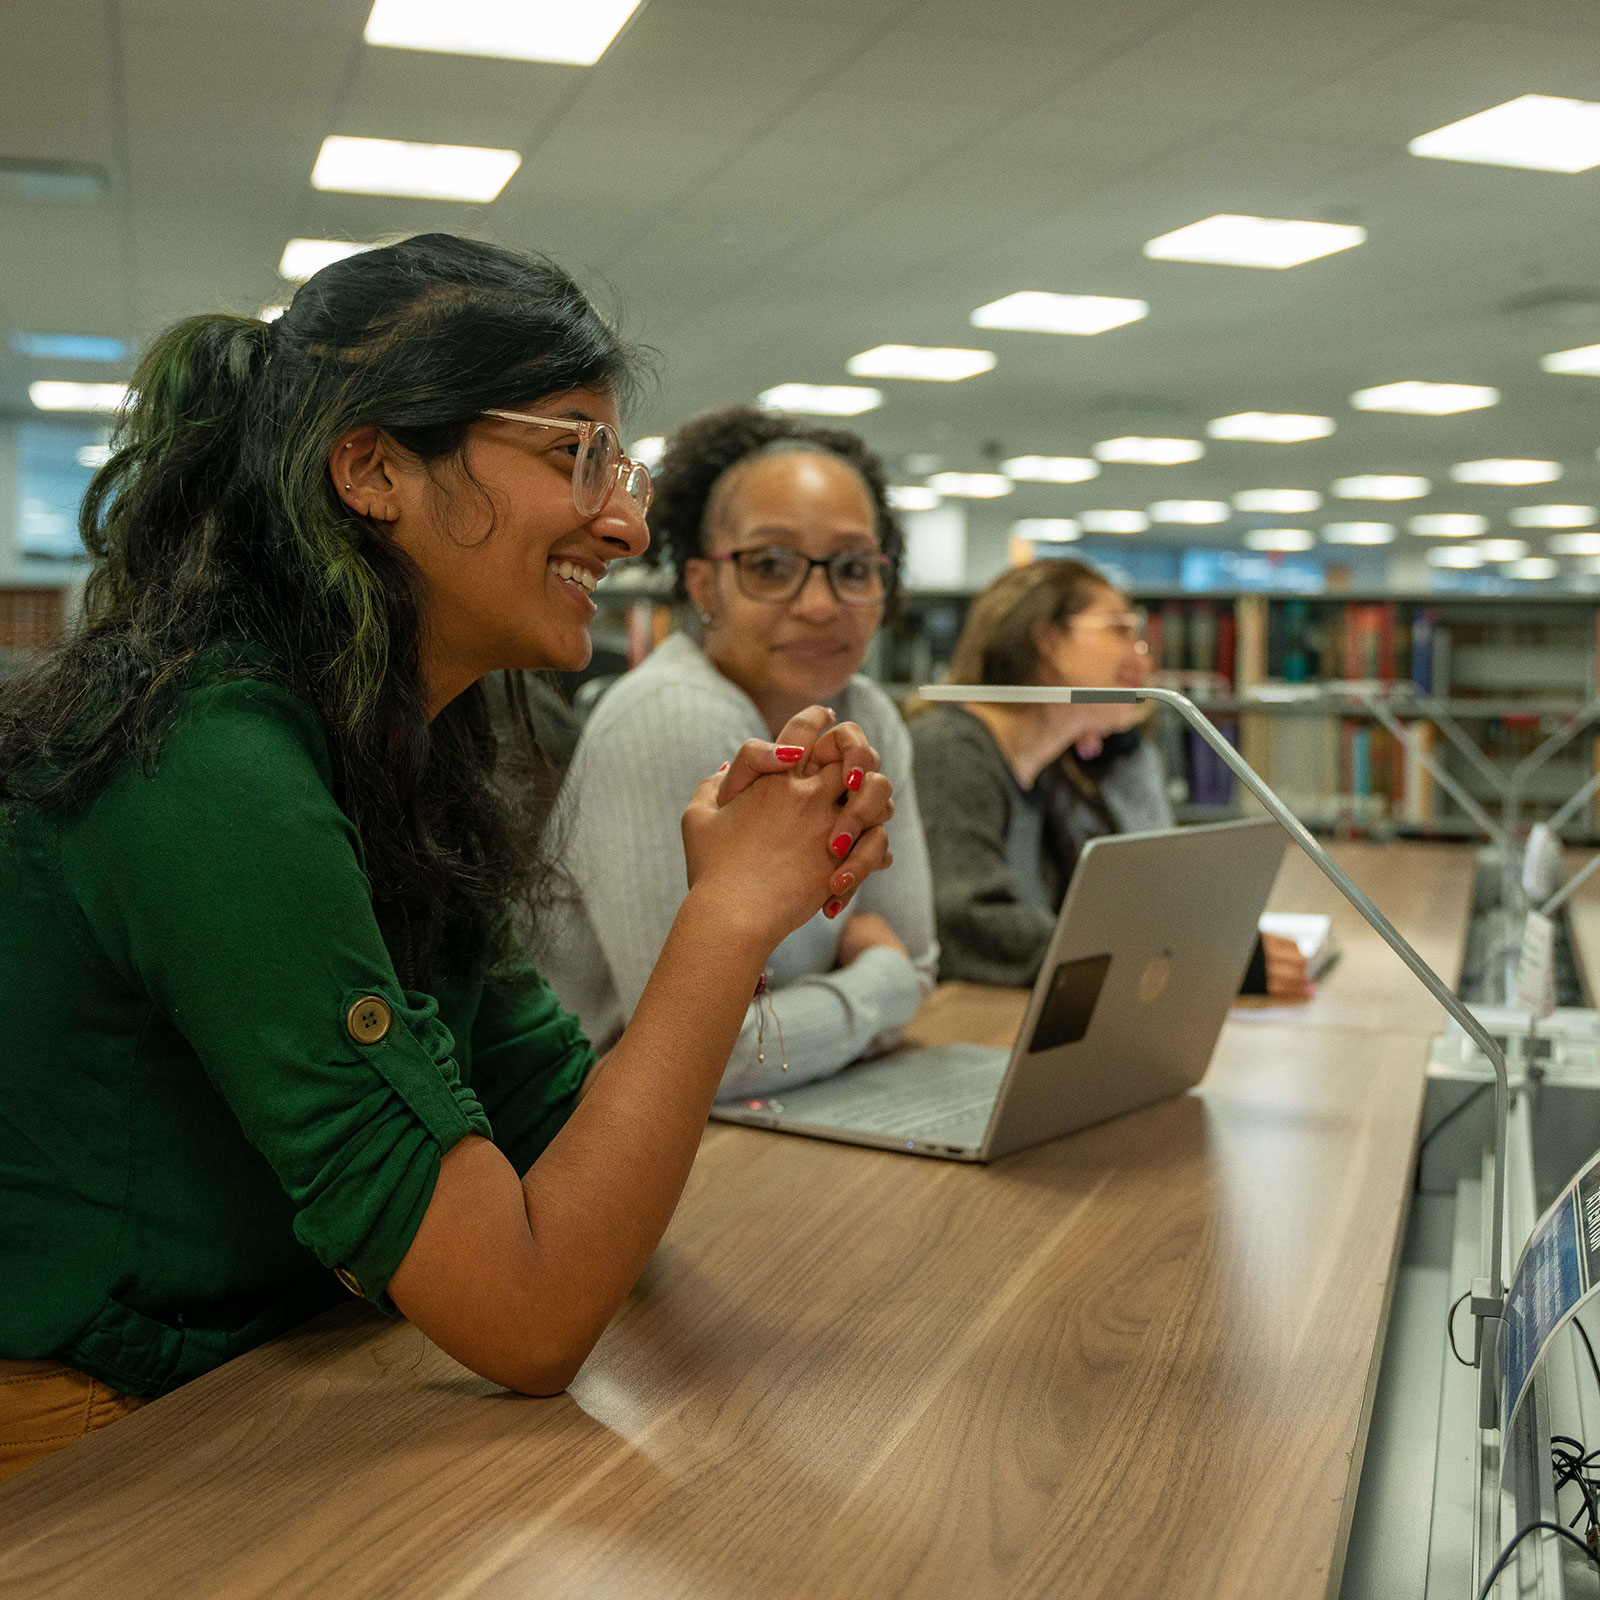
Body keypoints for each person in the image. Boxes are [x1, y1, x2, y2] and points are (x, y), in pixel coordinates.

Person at [0, 236, 897, 1479]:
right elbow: (529, 1316)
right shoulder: (210, 765)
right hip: (94, 1431)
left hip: (264, 1367)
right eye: (572, 451)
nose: (626, 518)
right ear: (371, 467)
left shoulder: (410, 742)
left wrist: (733, 914)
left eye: (618, 461)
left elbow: (570, 1171)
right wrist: (727, 919)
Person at [535, 406, 937, 1099]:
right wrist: (878, 986)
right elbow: (708, 1057)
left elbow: (922, 962)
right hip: (592, 1134)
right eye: (770, 565)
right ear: (702, 587)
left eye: (852, 567)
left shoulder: (868, 713)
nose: (819, 604)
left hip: (788, 1110)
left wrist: (862, 997)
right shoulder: (669, 718)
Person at [910, 557, 1310, 997]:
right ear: (1047, 640)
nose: (1142, 657)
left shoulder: (1041, 771)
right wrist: (1202, 967)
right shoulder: (950, 750)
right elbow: (971, 931)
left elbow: (1097, 917)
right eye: (1121, 630)